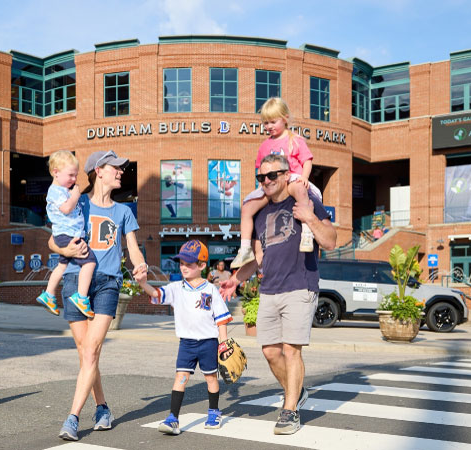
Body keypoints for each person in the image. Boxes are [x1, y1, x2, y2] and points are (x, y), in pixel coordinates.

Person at [219, 154, 336, 436]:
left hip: (300, 284)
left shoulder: (305, 201)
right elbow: (259, 256)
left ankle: (290, 409)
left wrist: (308, 216)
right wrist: (235, 279)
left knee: (290, 350)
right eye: (261, 177)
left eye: (272, 175)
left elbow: (331, 240)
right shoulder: (259, 212)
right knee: (271, 351)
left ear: (287, 176)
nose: (267, 181)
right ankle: (296, 391)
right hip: (269, 288)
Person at [49, 150, 148, 441]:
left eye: (121, 168)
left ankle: (72, 417)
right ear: (99, 172)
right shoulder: (76, 202)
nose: (121, 172)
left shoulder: (124, 211)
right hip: (74, 280)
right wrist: (65, 251)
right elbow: (52, 239)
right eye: (115, 168)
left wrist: (140, 265)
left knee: (91, 351)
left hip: (108, 283)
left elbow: (132, 247)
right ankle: (102, 407)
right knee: (86, 354)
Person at [135, 240, 232, 435]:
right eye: (181, 263)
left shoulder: (211, 290)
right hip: (186, 343)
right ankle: (173, 418)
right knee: (181, 378)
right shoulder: (176, 288)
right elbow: (156, 294)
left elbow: (221, 320)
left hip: (208, 342)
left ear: (203, 266)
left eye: (189, 264)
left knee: (211, 378)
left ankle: (214, 411)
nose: (184, 267)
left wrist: (224, 345)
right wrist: (143, 283)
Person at [231, 98, 322, 269]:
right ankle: (244, 248)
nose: (269, 126)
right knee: (247, 207)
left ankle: (307, 233)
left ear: (285, 118)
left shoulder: (295, 140)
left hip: (291, 178)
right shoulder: (264, 145)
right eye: (266, 123)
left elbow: (307, 160)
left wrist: (304, 176)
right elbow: (259, 167)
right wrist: (260, 185)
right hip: (271, 184)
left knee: (301, 190)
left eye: (273, 121)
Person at [37, 150, 97, 318]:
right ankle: (82, 297)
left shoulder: (62, 190)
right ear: (56, 172)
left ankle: (48, 294)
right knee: (90, 262)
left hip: (65, 235)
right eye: (70, 175)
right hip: (69, 235)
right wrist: (75, 196)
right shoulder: (56, 191)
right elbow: (66, 208)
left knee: (62, 266)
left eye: (76, 175)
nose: (74, 179)